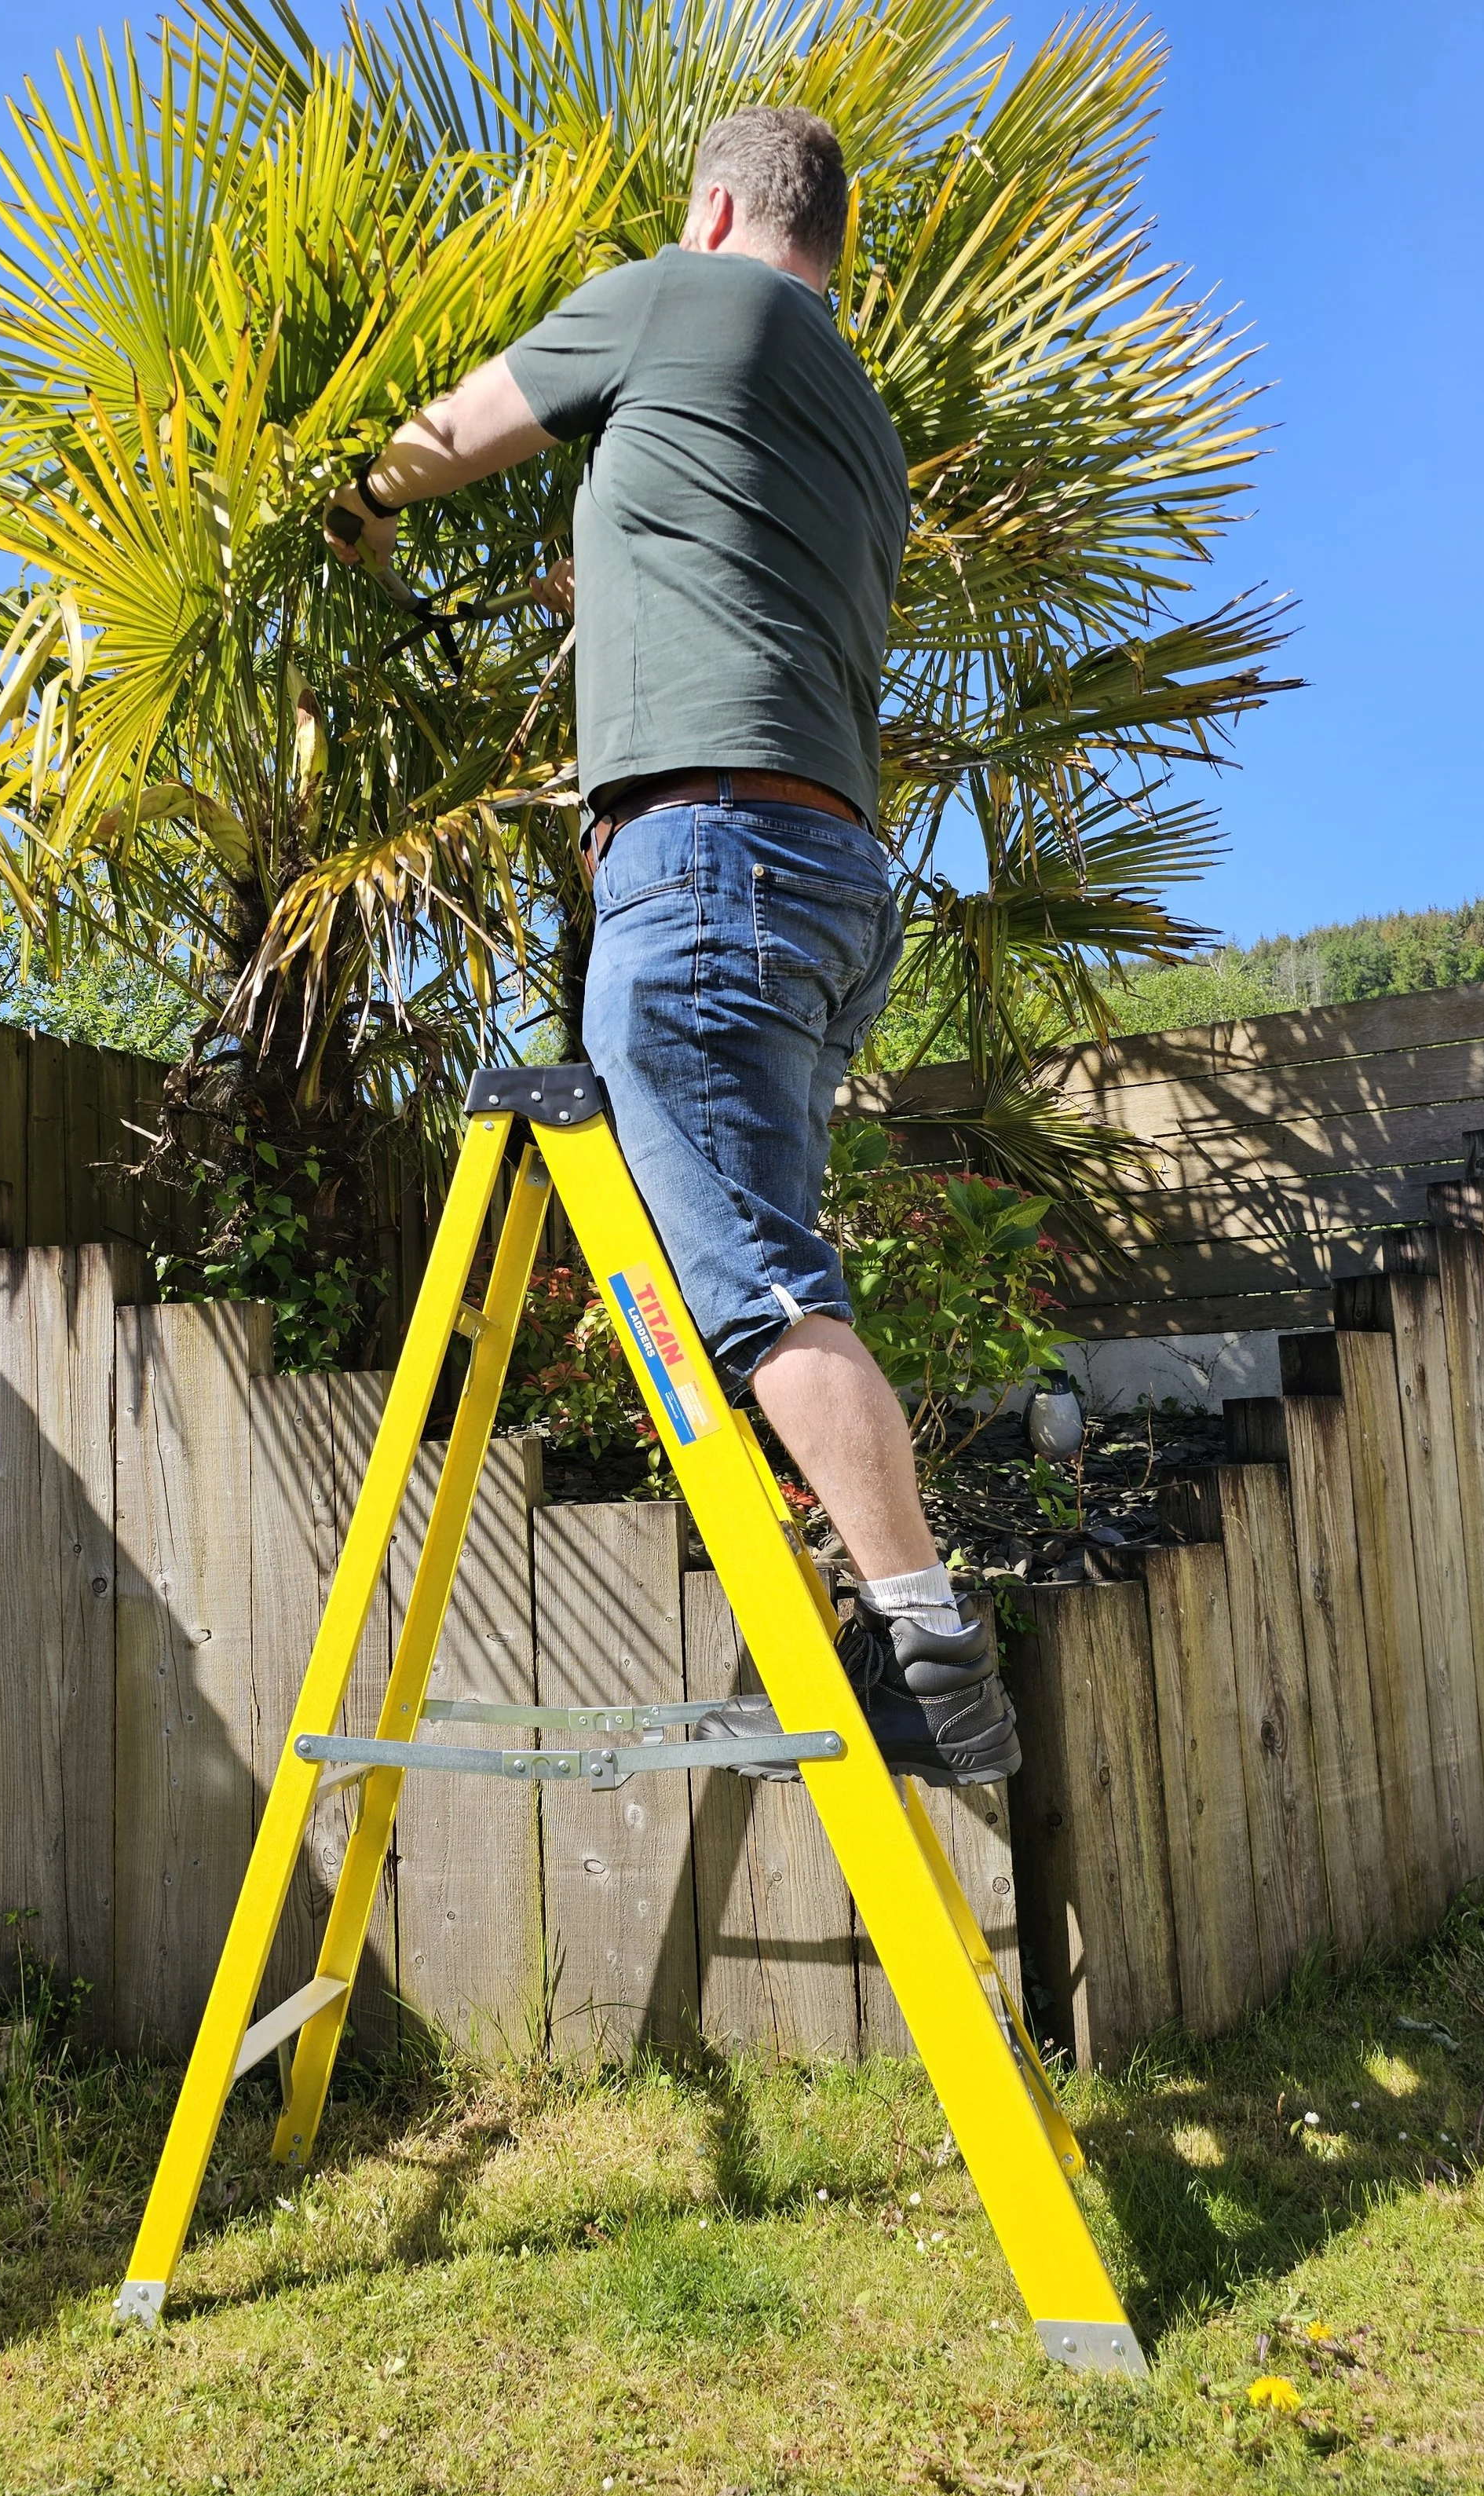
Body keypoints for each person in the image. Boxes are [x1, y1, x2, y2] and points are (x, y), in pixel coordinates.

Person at [325, 107, 1017, 1784]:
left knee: (763, 1285)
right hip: (826, 871)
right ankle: (866, 1629)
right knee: (761, 1250)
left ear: (712, 206)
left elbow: (445, 438)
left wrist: (349, 501)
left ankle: (928, 1649)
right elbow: (720, 573)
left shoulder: (674, 296)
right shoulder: (852, 419)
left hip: (704, 860)